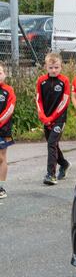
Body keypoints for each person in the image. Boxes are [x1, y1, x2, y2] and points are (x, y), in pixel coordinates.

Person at [36, 53, 70, 185]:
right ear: (46, 67)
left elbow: (64, 101)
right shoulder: (41, 80)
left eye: (56, 67)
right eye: (51, 67)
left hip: (59, 119)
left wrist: (52, 118)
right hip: (46, 119)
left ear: (61, 66)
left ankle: (51, 174)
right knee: (53, 144)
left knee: (51, 143)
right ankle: (64, 163)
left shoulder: (64, 81)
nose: (54, 70)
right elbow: (38, 99)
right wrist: (43, 117)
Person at [0, 61, 15, 199]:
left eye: (0, 73)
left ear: (4, 74)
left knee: (2, 157)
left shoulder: (8, 90)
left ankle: (1, 186)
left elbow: (10, 109)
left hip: (3, 129)